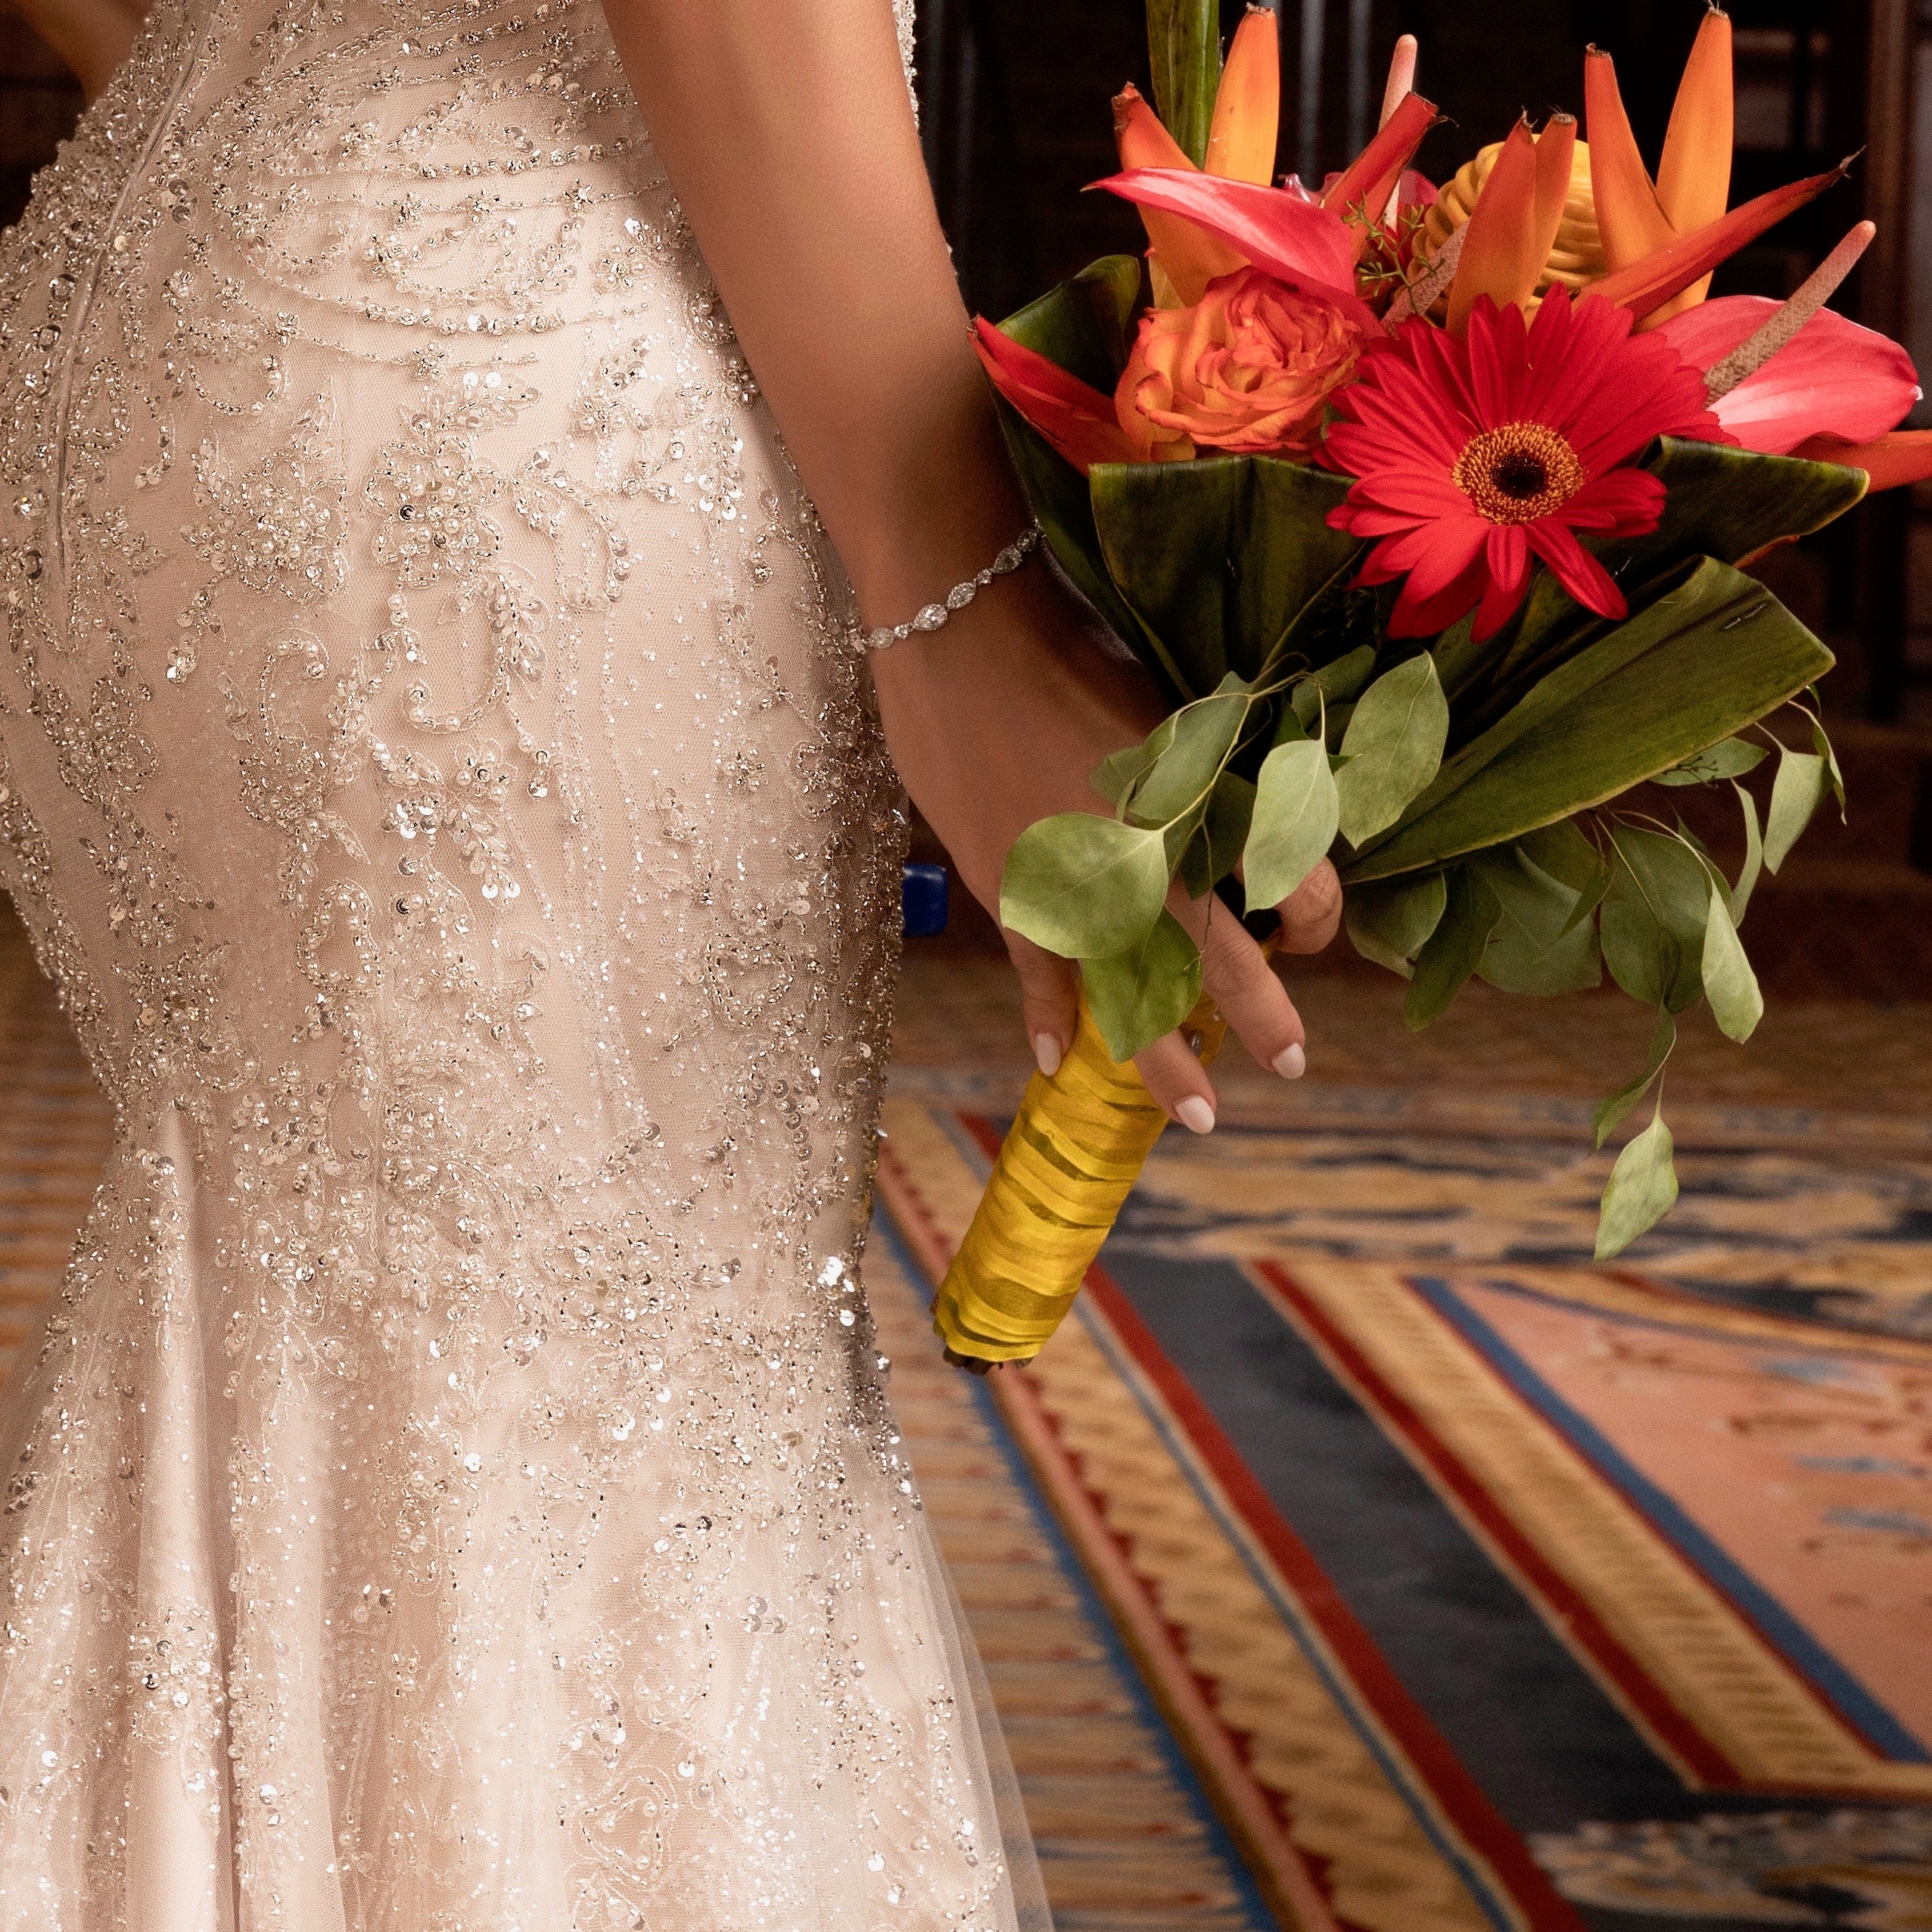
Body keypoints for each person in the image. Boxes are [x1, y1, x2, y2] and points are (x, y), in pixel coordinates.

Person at [0, 0, 1339, 1919]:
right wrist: (956, 602)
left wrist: (296, 128)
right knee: (591, 1440)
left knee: (313, 1393)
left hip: (199, 295)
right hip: (523, 407)